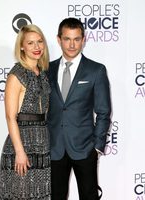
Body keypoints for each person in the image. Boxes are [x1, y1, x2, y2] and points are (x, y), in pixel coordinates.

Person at [47, 17, 111, 200]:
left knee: (89, 196)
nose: (72, 44)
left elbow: (104, 112)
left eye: (76, 39)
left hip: (84, 148)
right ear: (59, 39)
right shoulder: (47, 70)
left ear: (84, 39)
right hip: (55, 148)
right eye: (67, 39)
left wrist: (97, 147)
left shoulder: (95, 70)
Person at [0, 24, 51, 199]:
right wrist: (19, 151)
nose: (37, 47)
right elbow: (10, 116)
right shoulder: (16, 75)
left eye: (39, 42)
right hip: (22, 144)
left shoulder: (42, 73)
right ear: (22, 46)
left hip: (42, 143)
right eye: (30, 43)